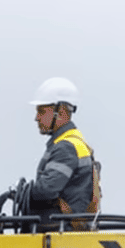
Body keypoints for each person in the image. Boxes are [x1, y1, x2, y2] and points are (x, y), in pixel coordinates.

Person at [27, 77, 100, 222]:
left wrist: (24, 193)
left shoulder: (66, 147)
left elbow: (45, 190)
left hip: (62, 227)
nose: (36, 118)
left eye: (41, 111)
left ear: (60, 112)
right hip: (68, 226)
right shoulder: (74, 141)